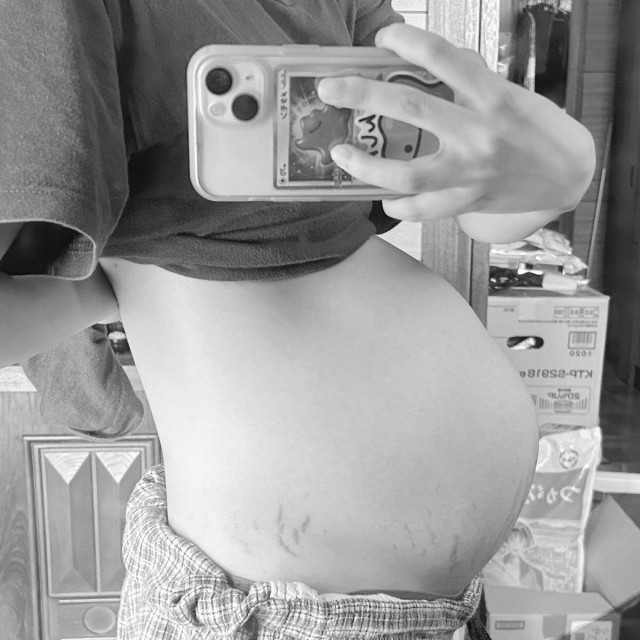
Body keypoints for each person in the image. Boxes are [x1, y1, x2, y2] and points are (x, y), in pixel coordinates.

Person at [0, 2, 595, 639]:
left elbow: (468, 191)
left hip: (440, 609)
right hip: (276, 611)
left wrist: (561, 169)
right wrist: (88, 291)